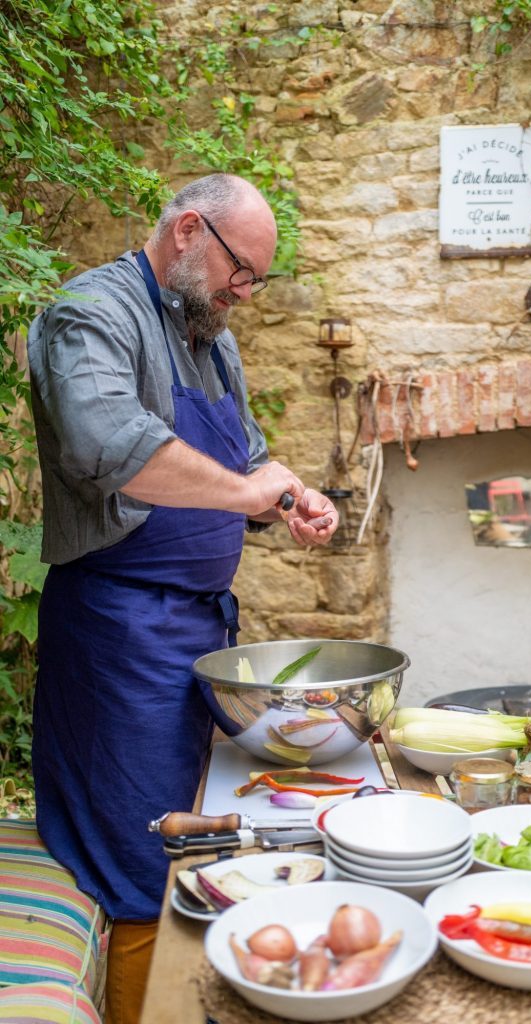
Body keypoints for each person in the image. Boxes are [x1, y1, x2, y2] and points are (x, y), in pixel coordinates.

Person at [27, 173, 339, 1024]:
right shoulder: (88, 316)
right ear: (189, 230)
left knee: (192, 840)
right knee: (138, 859)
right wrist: (247, 492)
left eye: (258, 280)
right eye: (243, 270)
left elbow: (243, 467)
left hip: (196, 634)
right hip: (116, 638)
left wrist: (287, 499)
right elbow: (110, 448)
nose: (247, 291)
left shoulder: (213, 339)